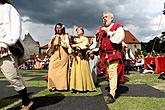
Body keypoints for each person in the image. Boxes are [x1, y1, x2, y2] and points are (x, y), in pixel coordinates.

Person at [0, 0, 33, 109]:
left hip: (4, 49)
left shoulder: (8, 8)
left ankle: (27, 101)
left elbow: (15, 28)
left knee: (13, 77)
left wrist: (5, 43)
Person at [96, 11, 125, 103]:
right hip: (104, 55)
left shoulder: (118, 27)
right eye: (103, 17)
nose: (104, 18)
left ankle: (112, 94)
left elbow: (119, 38)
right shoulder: (101, 28)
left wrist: (108, 31)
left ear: (111, 18)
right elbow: (97, 43)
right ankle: (113, 88)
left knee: (112, 73)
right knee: (109, 74)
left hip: (113, 54)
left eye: (106, 17)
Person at [69, 27, 96, 92]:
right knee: (77, 71)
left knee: (83, 71)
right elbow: (71, 47)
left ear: (82, 32)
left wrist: (76, 45)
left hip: (83, 57)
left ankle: (85, 86)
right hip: (77, 57)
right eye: (76, 30)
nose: (77, 31)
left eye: (79, 30)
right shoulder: (75, 39)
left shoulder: (85, 38)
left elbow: (85, 46)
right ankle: (76, 86)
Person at [47, 23, 70, 91]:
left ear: (62, 28)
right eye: (57, 28)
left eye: (59, 27)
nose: (58, 29)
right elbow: (49, 47)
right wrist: (52, 40)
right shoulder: (53, 36)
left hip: (63, 55)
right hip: (55, 55)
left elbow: (67, 45)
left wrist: (60, 40)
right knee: (51, 70)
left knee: (63, 71)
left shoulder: (66, 36)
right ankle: (52, 86)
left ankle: (62, 87)